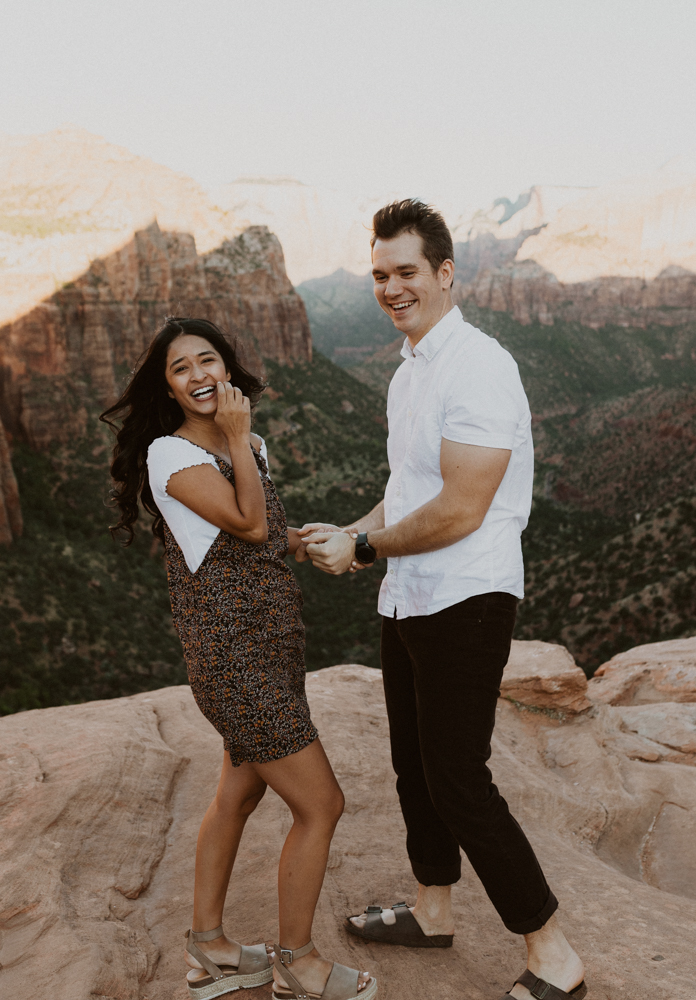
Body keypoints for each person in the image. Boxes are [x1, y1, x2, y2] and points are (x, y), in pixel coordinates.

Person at [300, 201, 587, 1000]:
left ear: (445, 272)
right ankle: (432, 909)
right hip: (410, 595)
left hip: (468, 598)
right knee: (412, 766)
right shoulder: (409, 369)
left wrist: (360, 550)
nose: (392, 287)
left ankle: (553, 954)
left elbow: (462, 507)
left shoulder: (481, 366)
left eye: (407, 273)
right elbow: (408, 493)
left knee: (458, 776)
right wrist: (352, 532)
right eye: (381, 274)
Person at [100, 317, 377, 1000]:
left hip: (273, 650)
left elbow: (246, 537)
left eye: (208, 361)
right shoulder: (170, 453)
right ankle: (300, 964)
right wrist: (237, 444)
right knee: (322, 804)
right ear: (165, 387)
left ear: (227, 368)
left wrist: (300, 540)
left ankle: (211, 952)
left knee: (241, 790)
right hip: (233, 660)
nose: (199, 376)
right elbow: (246, 521)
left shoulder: (243, 441)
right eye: (181, 368)